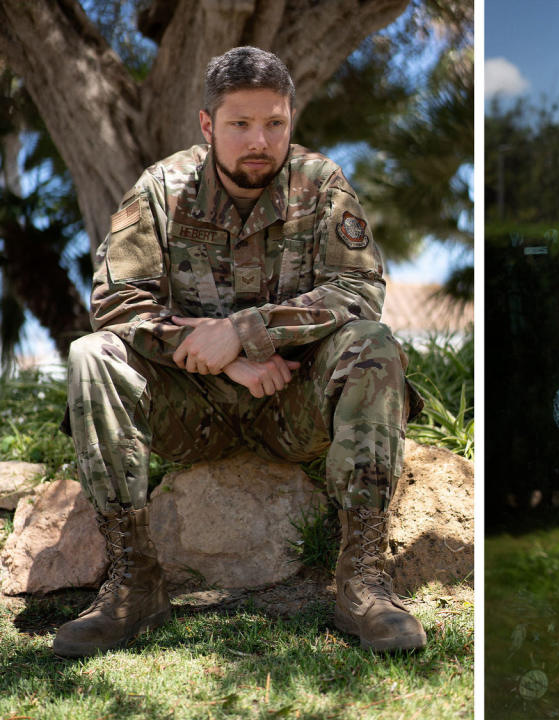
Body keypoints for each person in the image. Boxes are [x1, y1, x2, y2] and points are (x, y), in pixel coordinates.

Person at [54, 46, 425, 657]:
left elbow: (358, 289)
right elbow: (118, 302)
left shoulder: (320, 182)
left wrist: (248, 330)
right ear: (207, 125)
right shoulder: (162, 188)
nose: (260, 140)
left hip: (294, 405)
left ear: (291, 119)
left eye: (275, 123)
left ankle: (362, 579)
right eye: (240, 124)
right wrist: (225, 355)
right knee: (93, 354)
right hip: (189, 410)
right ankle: (133, 581)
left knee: (372, 346)